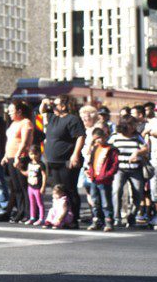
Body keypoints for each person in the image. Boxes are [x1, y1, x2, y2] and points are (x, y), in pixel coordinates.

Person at [43, 95, 85, 228]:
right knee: (58, 192)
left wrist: (75, 155)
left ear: (64, 106)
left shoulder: (73, 119)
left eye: (56, 105)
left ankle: (73, 219)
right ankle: (59, 217)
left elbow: (80, 137)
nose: (53, 107)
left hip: (67, 161)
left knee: (69, 190)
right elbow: (42, 110)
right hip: (53, 161)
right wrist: (46, 102)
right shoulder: (53, 117)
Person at [109, 117, 148, 227]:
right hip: (119, 169)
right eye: (131, 125)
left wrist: (137, 153)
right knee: (117, 190)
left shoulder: (137, 136)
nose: (133, 127)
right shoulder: (115, 136)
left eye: (134, 125)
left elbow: (146, 148)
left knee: (138, 192)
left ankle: (132, 215)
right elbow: (107, 147)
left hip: (135, 169)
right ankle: (117, 217)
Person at [3, 101, 33, 223]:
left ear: (19, 111)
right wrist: (5, 156)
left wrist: (17, 156)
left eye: (11, 110)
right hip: (10, 157)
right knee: (16, 188)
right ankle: (20, 212)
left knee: (23, 186)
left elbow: (24, 142)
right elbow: (10, 141)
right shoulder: (13, 123)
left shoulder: (26, 122)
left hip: (20, 158)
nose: (9, 113)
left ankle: (27, 213)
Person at [85, 128, 118, 231]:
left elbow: (115, 164)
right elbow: (91, 162)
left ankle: (108, 221)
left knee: (106, 202)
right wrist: (90, 172)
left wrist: (108, 174)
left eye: (99, 138)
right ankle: (97, 221)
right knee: (95, 201)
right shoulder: (95, 148)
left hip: (104, 180)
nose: (98, 141)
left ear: (104, 137)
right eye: (95, 139)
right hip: (95, 179)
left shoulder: (111, 149)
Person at [21, 145, 46, 225]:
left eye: (35, 154)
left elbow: (44, 175)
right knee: (32, 202)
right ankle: (32, 217)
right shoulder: (30, 164)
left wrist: (43, 186)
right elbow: (27, 173)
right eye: (31, 154)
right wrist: (20, 169)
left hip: (37, 186)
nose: (33, 156)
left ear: (39, 154)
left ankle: (41, 218)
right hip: (30, 186)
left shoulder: (41, 164)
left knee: (39, 203)